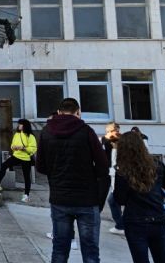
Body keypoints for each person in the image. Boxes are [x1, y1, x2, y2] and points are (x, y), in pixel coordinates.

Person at [35, 98, 109, 263]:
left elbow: (40, 166)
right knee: (90, 252)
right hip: (87, 199)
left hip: (59, 197)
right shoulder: (86, 131)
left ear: (59, 112)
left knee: (59, 249)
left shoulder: (46, 132)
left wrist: (56, 174)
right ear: (78, 112)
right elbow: (103, 165)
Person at [112, 131, 165, 263]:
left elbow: (119, 199)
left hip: (134, 221)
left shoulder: (122, 170)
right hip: (157, 218)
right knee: (163, 259)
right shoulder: (157, 164)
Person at [0, 119, 38, 202]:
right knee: (4, 165)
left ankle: (26, 195)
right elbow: (12, 145)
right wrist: (13, 147)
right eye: (19, 124)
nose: (19, 125)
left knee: (26, 177)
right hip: (16, 156)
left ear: (25, 125)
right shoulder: (17, 134)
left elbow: (33, 149)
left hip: (26, 158)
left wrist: (23, 148)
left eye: (20, 124)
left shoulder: (30, 136)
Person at [101, 122, 124, 235]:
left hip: (118, 173)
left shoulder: (121, 141)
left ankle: (121, 225)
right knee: (112, 199)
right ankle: (121, 224)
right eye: (115, 131)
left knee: (113, 199)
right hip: (108, 172)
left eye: (118, 130)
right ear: (108, 131)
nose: (117, 133)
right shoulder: (103, 140)